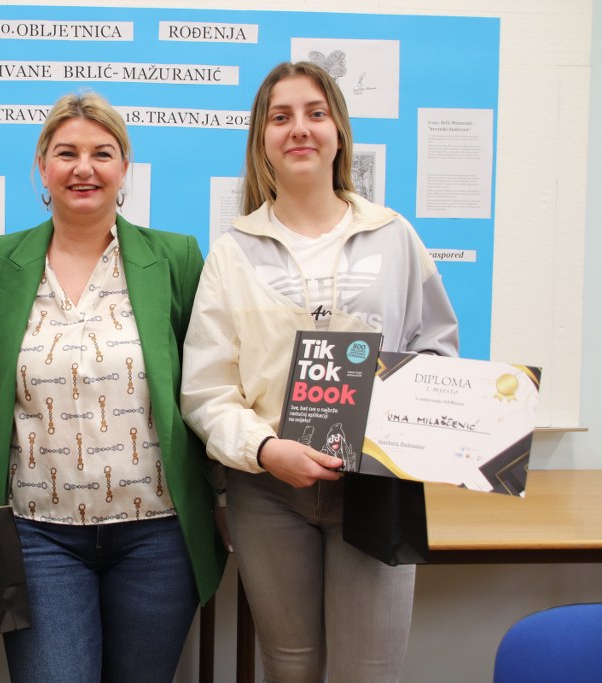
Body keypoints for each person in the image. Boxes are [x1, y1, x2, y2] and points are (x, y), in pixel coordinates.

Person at [180, 61, 459, 682]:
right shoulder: (232, 251)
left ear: (339, 132)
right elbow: (206, 390)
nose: (299, 129)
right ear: (262, 140)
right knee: (291, 667)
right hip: (268, 490)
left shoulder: (395, 236)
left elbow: (438, 351)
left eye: (315, 113)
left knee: (370, 671)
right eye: (280, 117)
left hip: (376, 483)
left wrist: (410, 426)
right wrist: (265, 449)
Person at [0, 91, 226, 683]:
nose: (83, 168)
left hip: (157, 533)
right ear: (42, 167)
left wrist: (224, 500)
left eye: (102, 153)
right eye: (66, 153)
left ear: (124, 167)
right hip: (36, 531)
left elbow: (204, 385)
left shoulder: (176, 257)